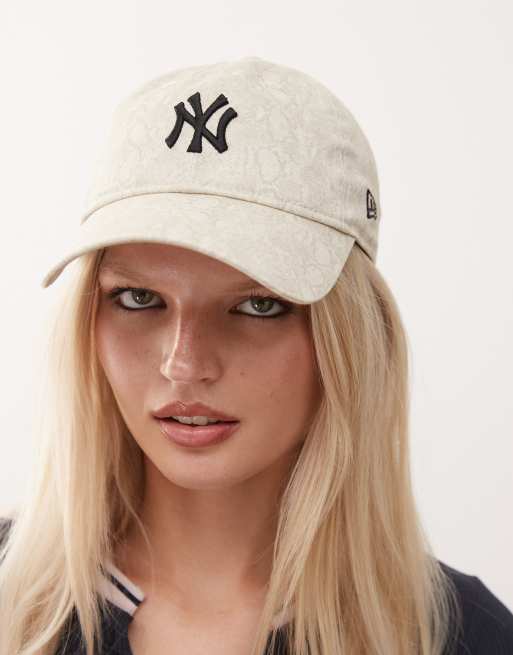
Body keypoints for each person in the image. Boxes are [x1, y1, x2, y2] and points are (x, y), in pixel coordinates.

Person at [0, 55, 512, 655]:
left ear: (352, 338)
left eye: (258, 306)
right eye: (139, 298)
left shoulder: (466, 637)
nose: (184, 364)